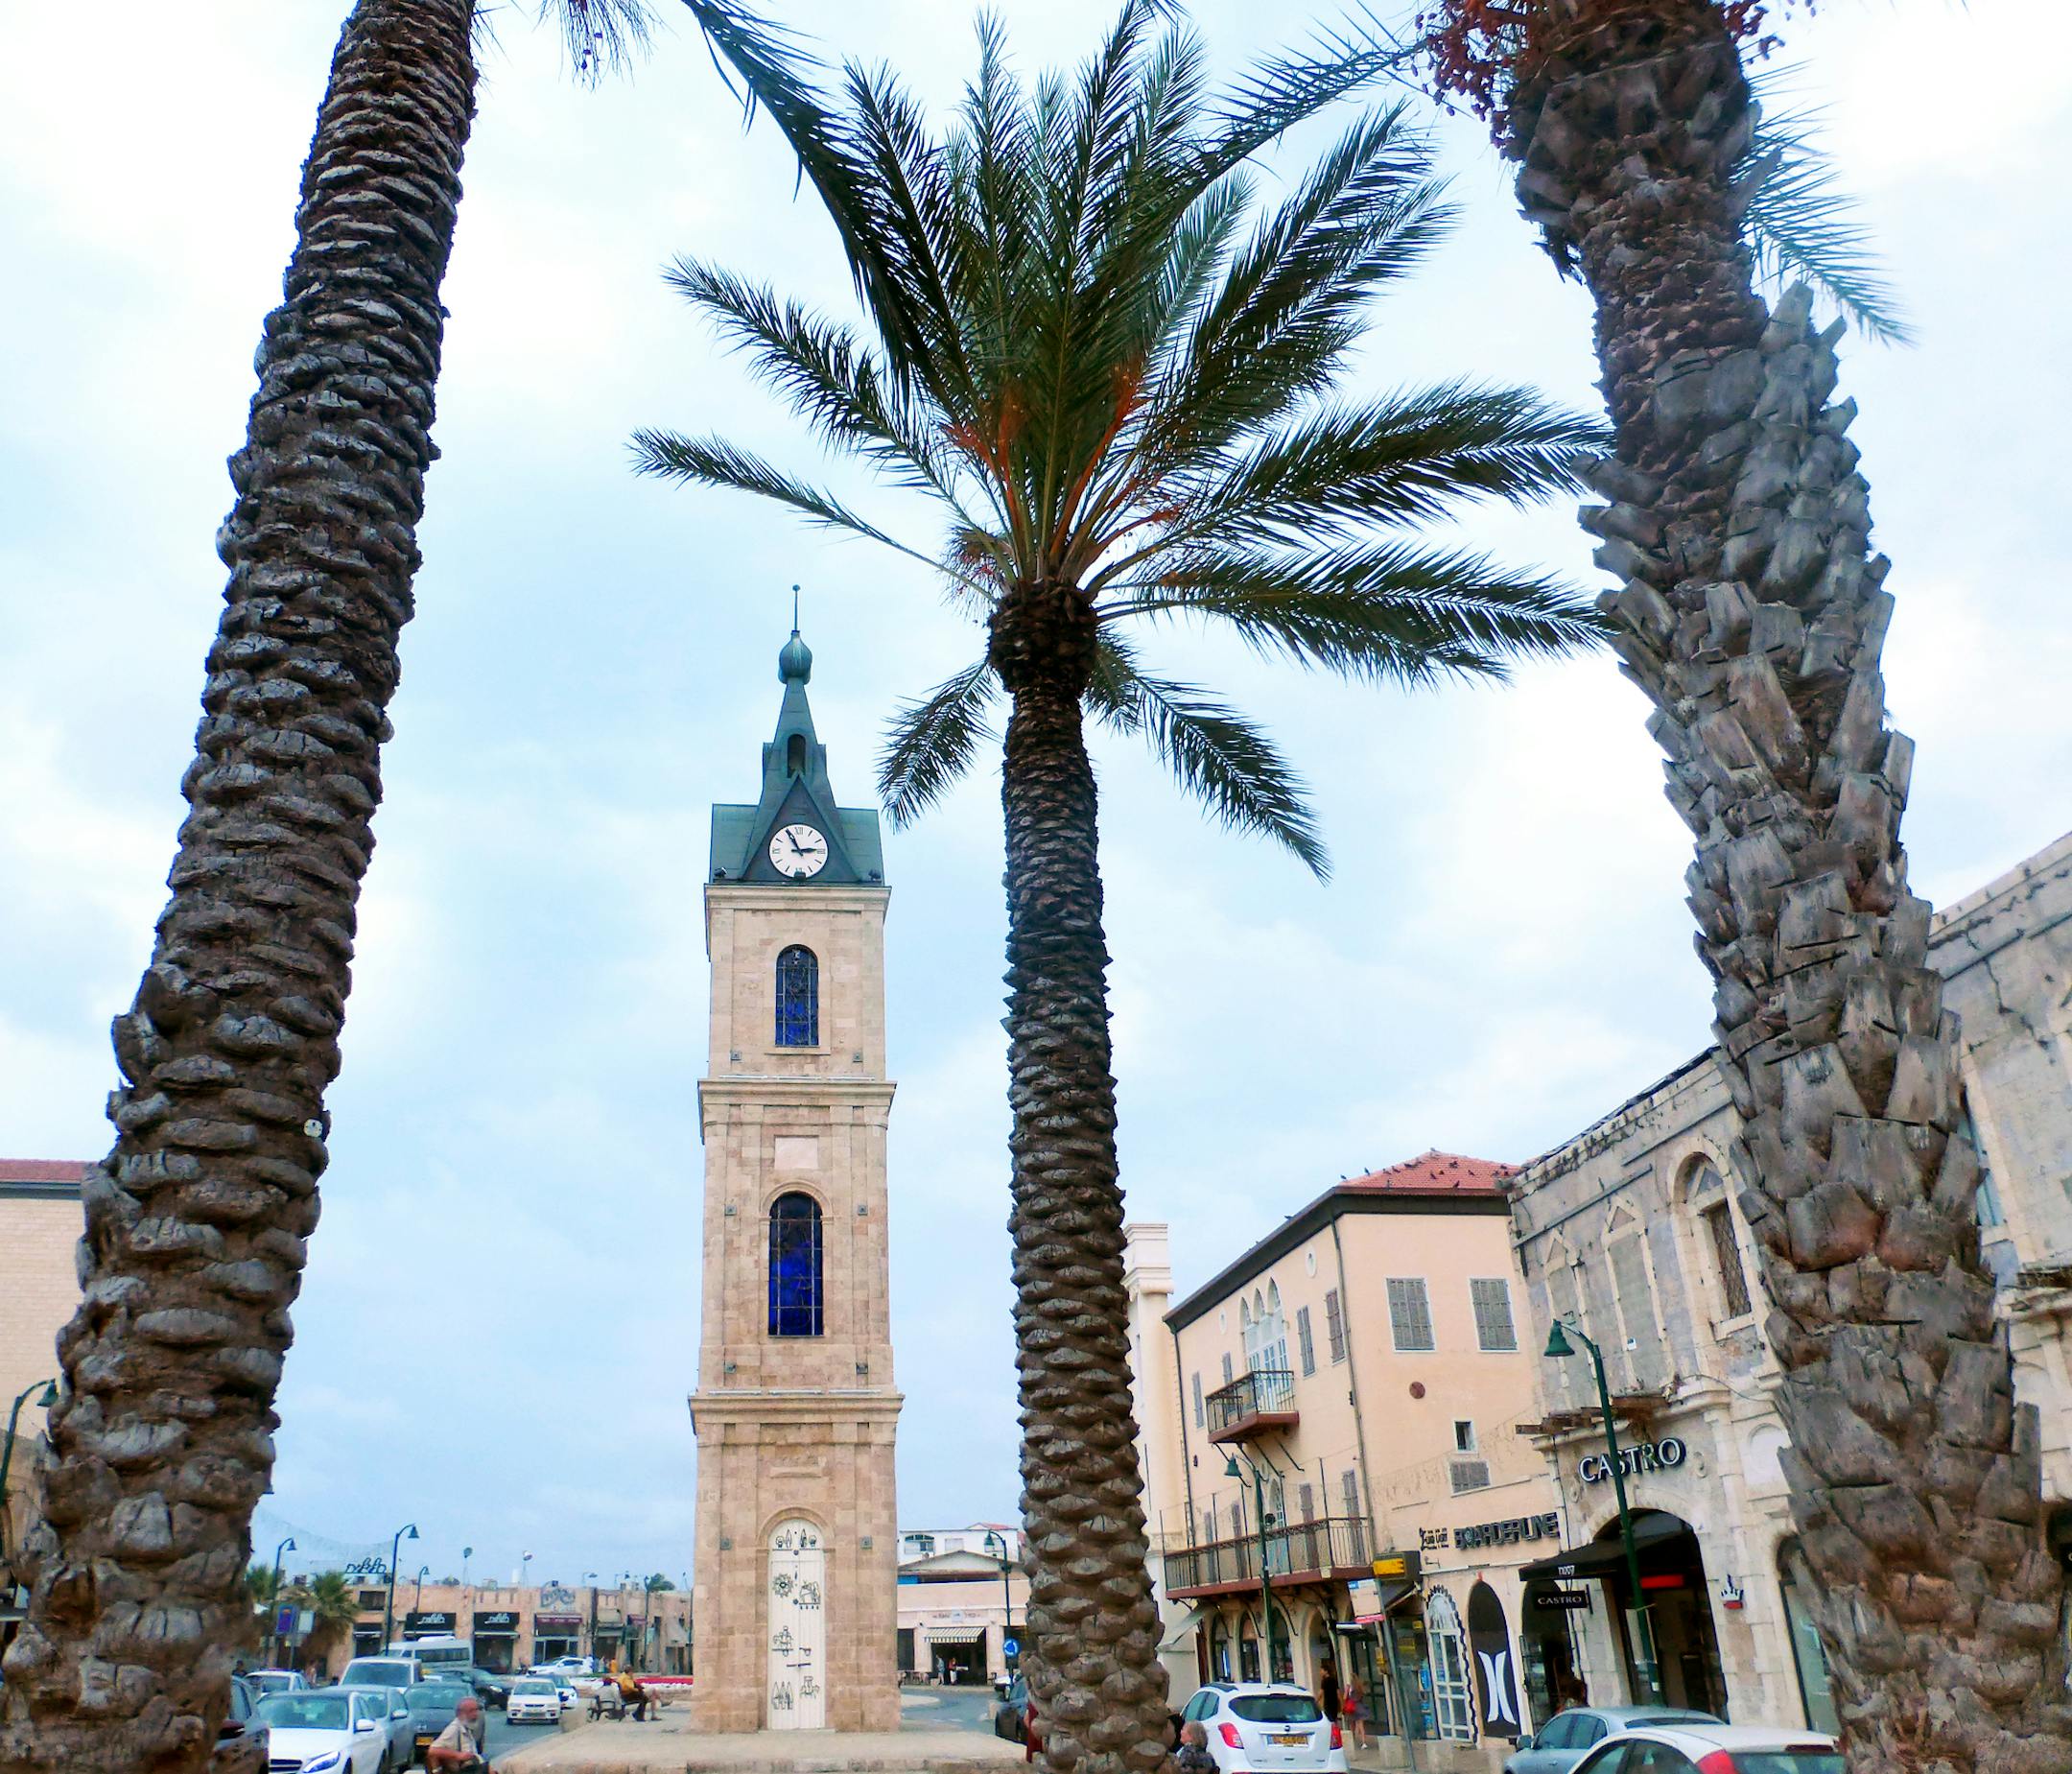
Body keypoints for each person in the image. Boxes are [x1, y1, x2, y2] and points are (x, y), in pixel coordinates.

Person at [427, 1694, 494, 1772]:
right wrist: (458, 1755)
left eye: (476, 1710)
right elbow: (433, 1750)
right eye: (471, 1711)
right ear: (461, 1712)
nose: (475, 1714)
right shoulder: (454, 1728)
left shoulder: (466, 1726)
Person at [1340, 1669, 1369, 1751]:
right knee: (1361, 1725)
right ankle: (1364, 1742)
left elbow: (1345, 1697)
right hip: (1360, 1706)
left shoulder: (1349, 1687)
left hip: (1351, 1707)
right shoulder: (1359, 1686)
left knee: (1352, 1725)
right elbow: (1363, 1694)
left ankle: (1352, 1740)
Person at [1317, 1658, 1340, 1725]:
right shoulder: (1334, 1680)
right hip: (1334, 1703)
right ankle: (1336, 1733)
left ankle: (1332, 1733)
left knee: (1329, 1721)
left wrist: (1315, 1701)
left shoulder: (1324, 1681)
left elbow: (1320, 1693)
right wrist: (1342, 1704)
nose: (1320, 1672)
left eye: (1321, 1671)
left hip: (1328, 1704)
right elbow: (1338, 1693)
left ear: (1326, 1671)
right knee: (1334, 1720)